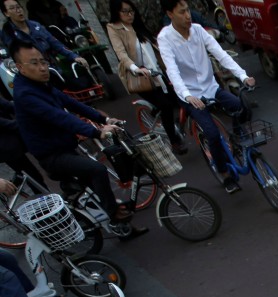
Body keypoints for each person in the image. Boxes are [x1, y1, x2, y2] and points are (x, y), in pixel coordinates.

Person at [11, 43, 144, 236]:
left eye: (43, 62)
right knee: (97, 170)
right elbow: (60, 117)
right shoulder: (26, 94)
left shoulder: (41, 86)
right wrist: (97, 132)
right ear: (20, 67)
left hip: (64, 146)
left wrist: (104, 119)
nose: (42, 67)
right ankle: (114, 216)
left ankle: (122, 227)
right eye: (34, 63)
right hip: (52, 156)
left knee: (96, 188)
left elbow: (72, 104)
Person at [158, 0, 253, 194]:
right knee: (211, 133)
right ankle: (225, 174)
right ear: (170, 14)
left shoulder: (199, 30)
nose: (187, 15)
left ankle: (235, 140)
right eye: (182, 12)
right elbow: (172, 71)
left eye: (188, 11)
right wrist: (186, 95)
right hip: (190, 94)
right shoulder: (165, 38)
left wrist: (243, 76)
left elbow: (221, 55)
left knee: (241, 106)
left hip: (210, 87)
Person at [106, 0, 187, 155]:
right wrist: (136, 69)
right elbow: (121, 54)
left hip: (157, 72)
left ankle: (174, 122)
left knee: (181, 96)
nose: (130, 15)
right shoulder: (114, 28)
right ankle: (174, 141)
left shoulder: (139, 26)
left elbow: (157, 48)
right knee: (166, 106)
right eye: (125, 11)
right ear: (117, 12)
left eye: (132, 11)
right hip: (141, 77)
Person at [1, 0, 87, 69]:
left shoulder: (36, 25)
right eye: (12, 8)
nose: (18, 10)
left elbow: (54, 42)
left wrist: (74, 56)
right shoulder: (8, 33)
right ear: (6, 13)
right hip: (32, 72)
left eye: (18, 7)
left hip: (52, 66)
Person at [0, 97, 47, 187]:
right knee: (33, 176)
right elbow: (5, 123)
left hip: (15, 135)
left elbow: (8, 105)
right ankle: (44, 196)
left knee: (46, 156)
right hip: (5, 146)